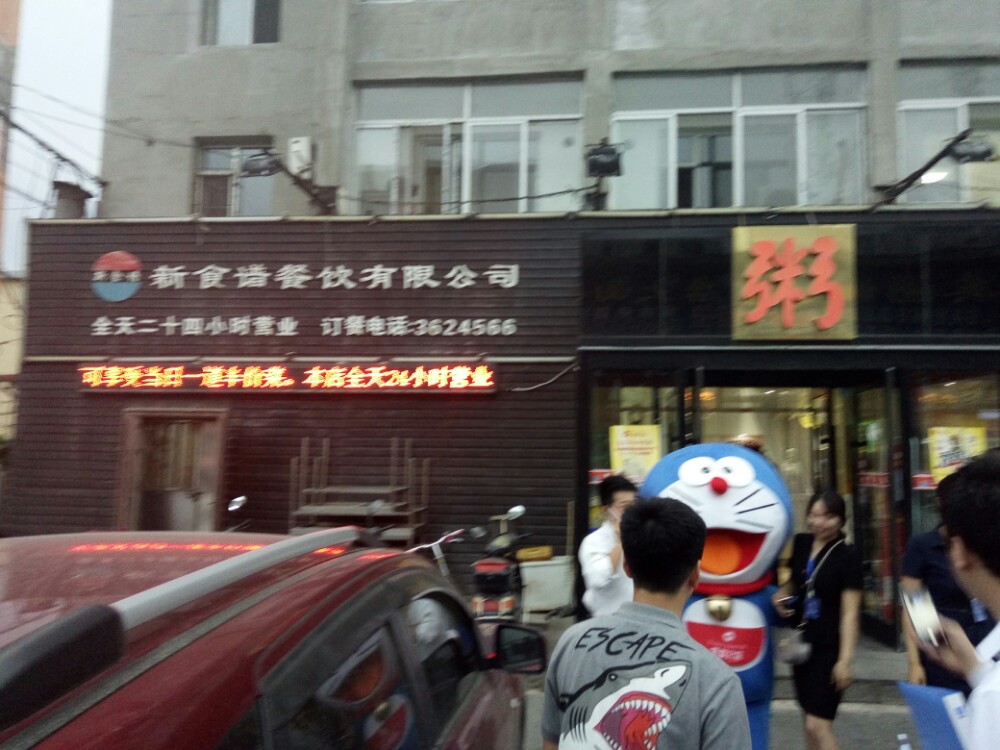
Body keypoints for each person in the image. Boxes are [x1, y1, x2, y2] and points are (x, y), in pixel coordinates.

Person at [543, 497, 751, 750]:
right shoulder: (717, 681)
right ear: (696, 575)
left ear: (627, 567)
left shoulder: (571, 643)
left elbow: (551, 743)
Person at [909, 451, 1000, 750]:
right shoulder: (921, 546)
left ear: (959, 551)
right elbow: (912, 596)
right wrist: (974, 668)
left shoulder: (992, 698)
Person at [771, 489, 862, 750]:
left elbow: (850, 613)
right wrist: (780, 595)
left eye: (828, 516)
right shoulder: (802, 543)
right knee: (808, 719)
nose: (819, 522)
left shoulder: (847, 556)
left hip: (829, 649)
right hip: (801, 644)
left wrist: (844, 661)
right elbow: (796, 582)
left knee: (817, 725)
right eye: (814, 515)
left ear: (841, 520)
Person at [901, 471, 995, 694]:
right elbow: (912, 605)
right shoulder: (923, 546)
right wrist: (915, 663)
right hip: (943, 646)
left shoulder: (980, 541)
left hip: (986, 641)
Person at [578, 474, 636, 616]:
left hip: (642, 619)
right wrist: (621, 541)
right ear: (606, 509)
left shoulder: (642, 535)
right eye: (625, 507)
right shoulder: (594, 541)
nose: (632, 511)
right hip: (608, 621)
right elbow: (598, 579)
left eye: (634, 505)